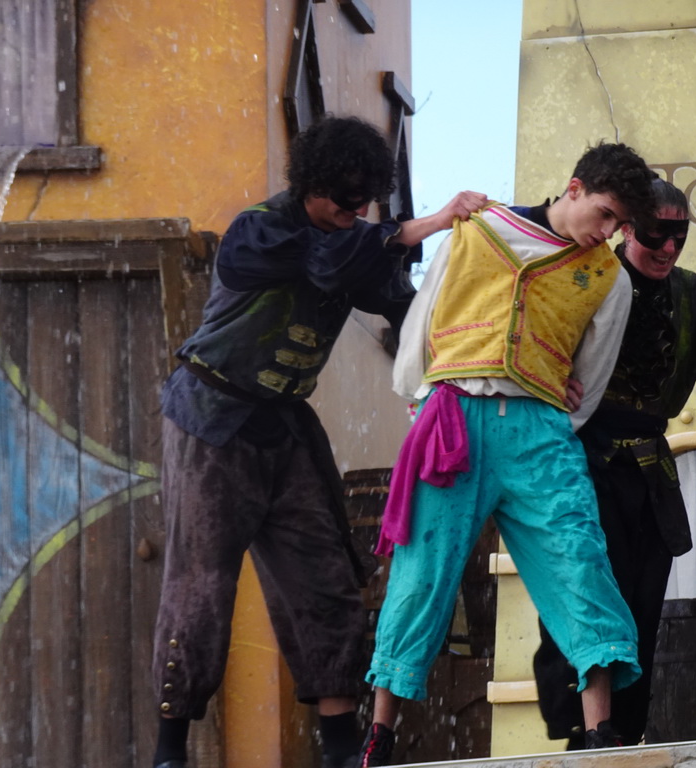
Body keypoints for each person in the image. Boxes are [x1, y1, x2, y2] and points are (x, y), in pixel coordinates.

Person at [149, 114, 487, 768]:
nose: (353, 213)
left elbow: (407, 312)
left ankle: (340, 754)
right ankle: (170, 753)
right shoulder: (258, 231)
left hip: (285, 426)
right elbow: (323, 258)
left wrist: (479, 360)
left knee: (326, 580)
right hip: (211, 417)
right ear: (310, 185)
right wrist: (425, 223)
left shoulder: (360, 241)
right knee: (201, 589)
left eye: (364, 204)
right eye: (343, 200)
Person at [354, 142, 657, 767]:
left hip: (539, 436)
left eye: (619, 226)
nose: (607, 234)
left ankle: (601, 737)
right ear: (573, 188)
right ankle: (379, 740)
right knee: (421, 574)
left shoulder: (609, 279)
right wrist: (423, 401)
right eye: (603, 214)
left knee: (580, 563)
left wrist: (541, 404)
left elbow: (590, 380)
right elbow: (423, 322)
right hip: (451, 420)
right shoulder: (477, 230)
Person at [532, 179, 696, 749]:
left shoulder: (692, 295)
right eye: (656, 236)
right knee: (580, 597)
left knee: (639, 612)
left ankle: (623, 736)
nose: (668, 249)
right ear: (627, 228)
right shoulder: (584, 277)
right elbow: (534, 344)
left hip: (648, 476)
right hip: (580, 465)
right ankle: (584, 733)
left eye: (678, 238)